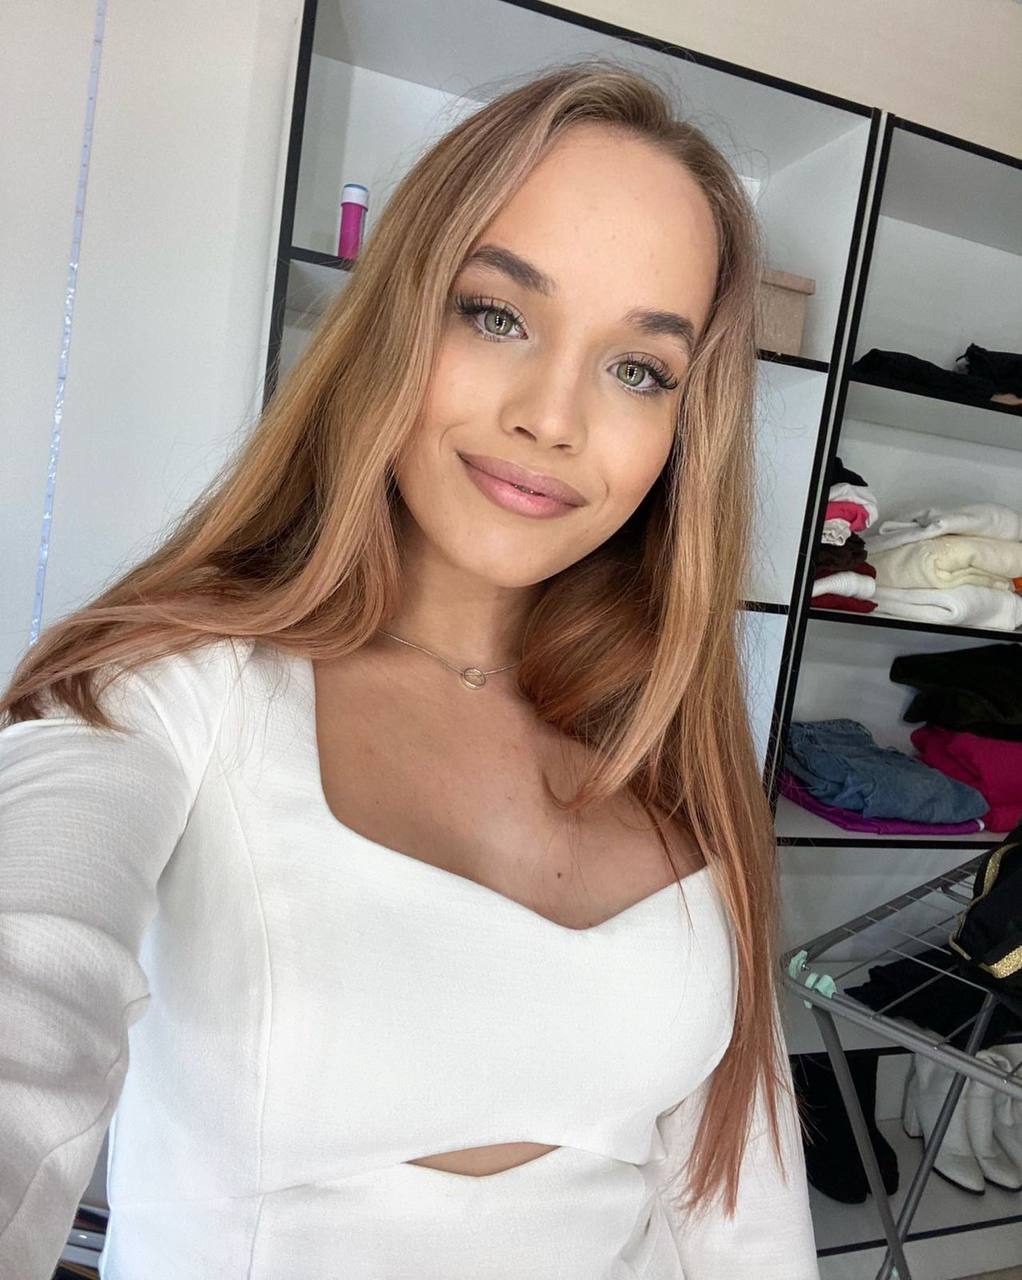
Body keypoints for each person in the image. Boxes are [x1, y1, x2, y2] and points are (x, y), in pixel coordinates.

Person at [0, 60, 821, 1279]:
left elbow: (736, 1210)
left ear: (681, 425)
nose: (553, 417)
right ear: (398, 313)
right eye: (497, 313)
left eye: (636, 368)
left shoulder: (670, 752)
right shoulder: (167, 692)